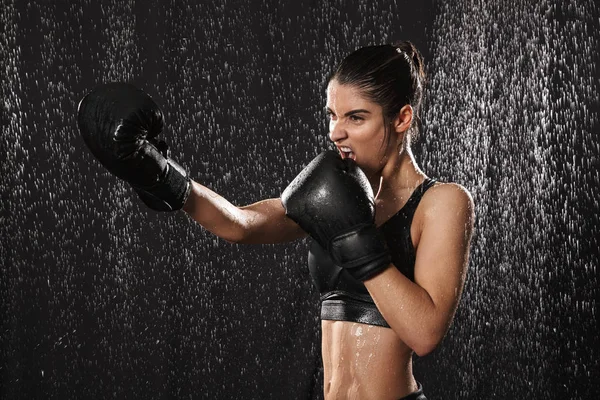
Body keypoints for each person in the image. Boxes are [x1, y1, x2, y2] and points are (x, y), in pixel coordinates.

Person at [77, 41, 474, 400]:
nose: (336, 132)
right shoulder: (333, 188)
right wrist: (161, 175)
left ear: (402, 118)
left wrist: (358, 242)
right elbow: (242, 223)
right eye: (332, 115)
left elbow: (425, 333)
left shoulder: (441, 202)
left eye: (356, 117)